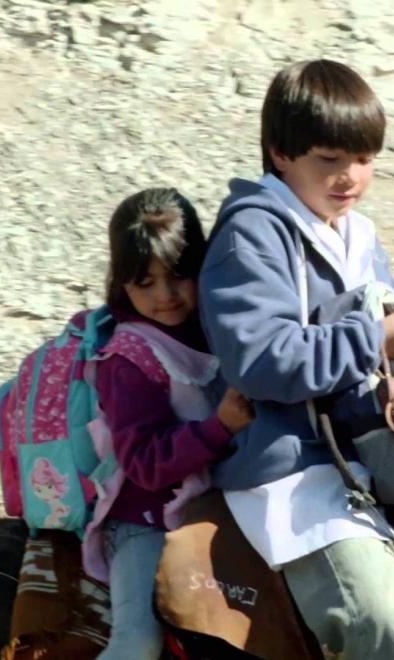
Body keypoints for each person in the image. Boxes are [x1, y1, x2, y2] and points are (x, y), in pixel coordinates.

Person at [196, 59, 394, 660]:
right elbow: (260, 360)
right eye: (329, 159)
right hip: (296, 476)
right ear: (279, 152)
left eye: (365, 160)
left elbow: (384, 347)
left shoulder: (357, 236)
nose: (349, 177)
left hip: (373, 462)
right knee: (387, 629)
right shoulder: (251, 234)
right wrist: (378, 336)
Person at [83, 187, 254, 659]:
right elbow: (143, 463)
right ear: (122, 284)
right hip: (143, 519)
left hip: (215, 507)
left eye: (179, 276)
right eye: (145, 283)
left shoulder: (217, 328)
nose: (165, 297)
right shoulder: (129, 358)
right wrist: (218, 428)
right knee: (137, 641)